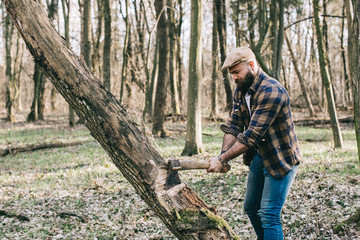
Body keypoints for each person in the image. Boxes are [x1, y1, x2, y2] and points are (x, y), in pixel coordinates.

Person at [207, 47, 302, 240]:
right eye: (231, 74)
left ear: (251, 66)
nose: (234, 77)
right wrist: (222, 157)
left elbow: (251, 136)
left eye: (236, 72)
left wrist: (222, 158)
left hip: (281, 159)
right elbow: (234, 126)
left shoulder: (271, 91)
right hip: (260, 156)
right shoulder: (241, 91)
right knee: (251, 207)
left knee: (269, 213)